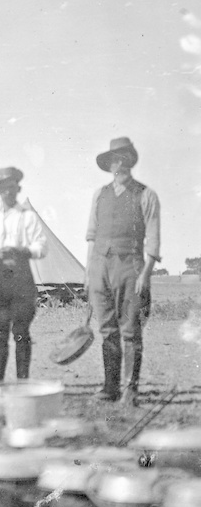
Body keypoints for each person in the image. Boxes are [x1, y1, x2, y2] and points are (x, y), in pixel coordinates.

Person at [86, 137, 160, 407]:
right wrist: (88, 272)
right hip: (100, 266)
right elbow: (92, 236)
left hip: (130, 267)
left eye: (122, 157)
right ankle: (110, 386)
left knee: (130, 330)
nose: (118, 163)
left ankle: (131, 389)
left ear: (130, 160)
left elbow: (153, 241)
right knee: (107, 329)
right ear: (109, 164)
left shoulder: (145, 194)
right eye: (113, 159)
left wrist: (145, 274)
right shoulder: (100, 194)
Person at [0, 167, 48, 384]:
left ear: (17, 189)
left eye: (11, 187)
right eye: (2, 189)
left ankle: (22, 382)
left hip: (20, 279)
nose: (7, 192)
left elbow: (41, 247)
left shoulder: (28, 217)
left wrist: (21, 250)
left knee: (21, 332)